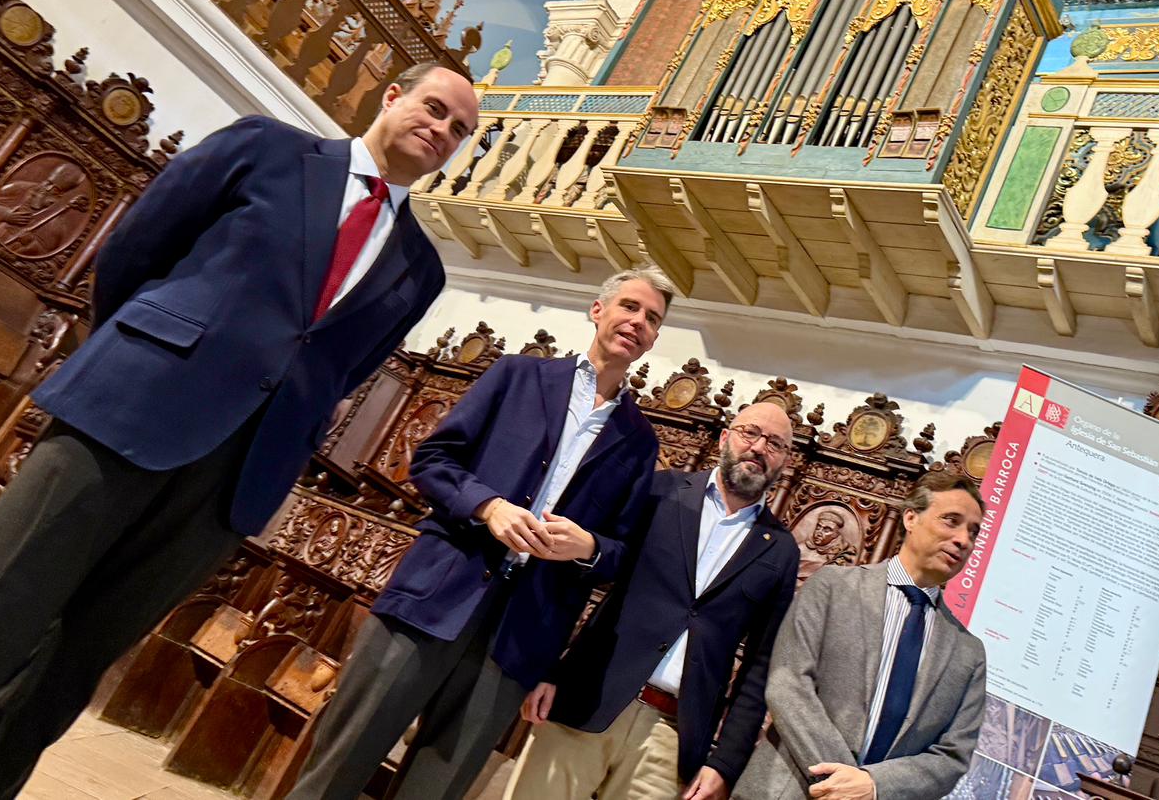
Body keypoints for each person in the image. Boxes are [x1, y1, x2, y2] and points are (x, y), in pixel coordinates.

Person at [0, 62, 478, 799]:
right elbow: (136, 249)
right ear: (393, 96)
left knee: (70, 668)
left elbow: (346, 369)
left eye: (460, 130)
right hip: (129, 412)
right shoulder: (268, 148)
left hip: (235, 479)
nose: (442, 130)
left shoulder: (421, 268)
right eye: (435, 108)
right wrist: (150, 356)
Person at [287, 265, 673, 800]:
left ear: (653, 339)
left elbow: (620, 551)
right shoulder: (518, 376)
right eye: (629, 306)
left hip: (521, 636)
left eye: (651, 318)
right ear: (598, 310)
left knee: (436, 790)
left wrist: (587, 547)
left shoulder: (639, 440)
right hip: (437, 596)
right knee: (340, 762)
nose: (638, 321)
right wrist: (488, 507)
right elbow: (433, 460)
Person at [506, 402, 802, 800]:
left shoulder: (780, 550)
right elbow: (588, 578)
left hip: (671, 737)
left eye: (775, 443)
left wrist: (725, 763)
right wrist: (550, 669)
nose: (759, 447)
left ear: (785, 461)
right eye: (750, 432)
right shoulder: (661, 491)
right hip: (589, 697)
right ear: (724, 438)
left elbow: (761, 665)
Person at [734, 470, 988, 800]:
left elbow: (952, 756)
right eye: (951, 521)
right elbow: (788, 684)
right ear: (911, 518)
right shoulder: (832, 586)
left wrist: (875, 785)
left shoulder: (968, 653)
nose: (963, 540)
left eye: (973, 532)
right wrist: (845, 782)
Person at [796, 508, 859, 584]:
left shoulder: (838, 558)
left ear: (835, 534)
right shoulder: (800, 548)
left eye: (826, 530)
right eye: (818, 527)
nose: (819, 533)